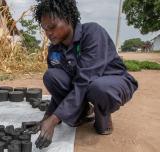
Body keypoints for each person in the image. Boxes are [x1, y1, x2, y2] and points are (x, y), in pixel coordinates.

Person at [25, 0, 138, 149]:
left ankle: (102, 113)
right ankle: (81, 111)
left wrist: (53, 120)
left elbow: (84, 81)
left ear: (68, 18)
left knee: (98, 88)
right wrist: (46, 118)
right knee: (51, 76)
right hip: (83, 85)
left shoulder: (92, 33)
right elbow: (60, 90)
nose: (48, 33)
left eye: (52, 27)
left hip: (112, 83)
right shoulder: (55, 50)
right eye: (45, 29)